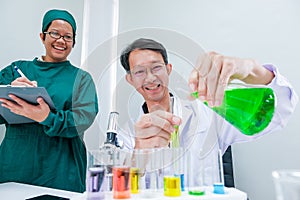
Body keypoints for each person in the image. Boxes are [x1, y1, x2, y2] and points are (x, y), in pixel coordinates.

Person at [119, 38, 298, 185]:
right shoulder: (126, 137)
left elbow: (281, 109)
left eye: (156, 67)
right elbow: (119, 190)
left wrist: (252, 70)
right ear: (130, 79)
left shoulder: (207, 113)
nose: (150, 77)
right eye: (140, 72)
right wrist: (139, 154)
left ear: (168, 69)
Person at [0, 9, 98, 193]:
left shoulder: (81, 79)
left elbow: (82, 120)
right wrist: (9, 91)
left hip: (60, 172)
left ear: (73, 42)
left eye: (68, 37)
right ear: (42, 36)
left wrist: (46, 117)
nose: (61, 40)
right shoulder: (17, 70)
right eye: (54, 33)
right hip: (14, 168)